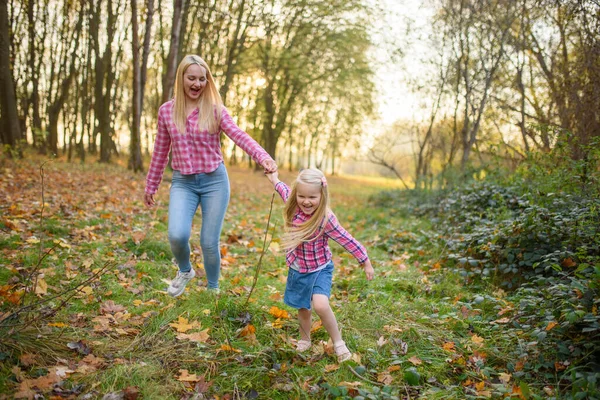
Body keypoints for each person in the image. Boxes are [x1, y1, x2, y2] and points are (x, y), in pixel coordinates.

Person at [144, 54, 277, 297]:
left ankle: (213, 291)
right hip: (183, 183)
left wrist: (263, 157)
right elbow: (161, 151)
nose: (196, 84)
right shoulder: (167, 112)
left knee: (208, 242)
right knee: (176, 234)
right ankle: (185, 271)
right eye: (191, 78)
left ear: (208, 81)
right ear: (182, 78)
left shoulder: (215, 110)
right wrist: (151, 185)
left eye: (202, 79)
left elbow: (239, 135)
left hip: (214, 182)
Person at [265, 168, 374, 362]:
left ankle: (339, 343)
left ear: (322, 195)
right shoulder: (294, 206)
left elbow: (346, 239)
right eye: (302, 196)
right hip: (298, 269)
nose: (306, 201)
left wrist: (365, 261)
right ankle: (305, 339)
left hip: (319, 269)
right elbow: (282, 189)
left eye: (312, 197)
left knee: (321, 305)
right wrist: (273, 177)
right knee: (303, 308)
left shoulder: (325, 218)